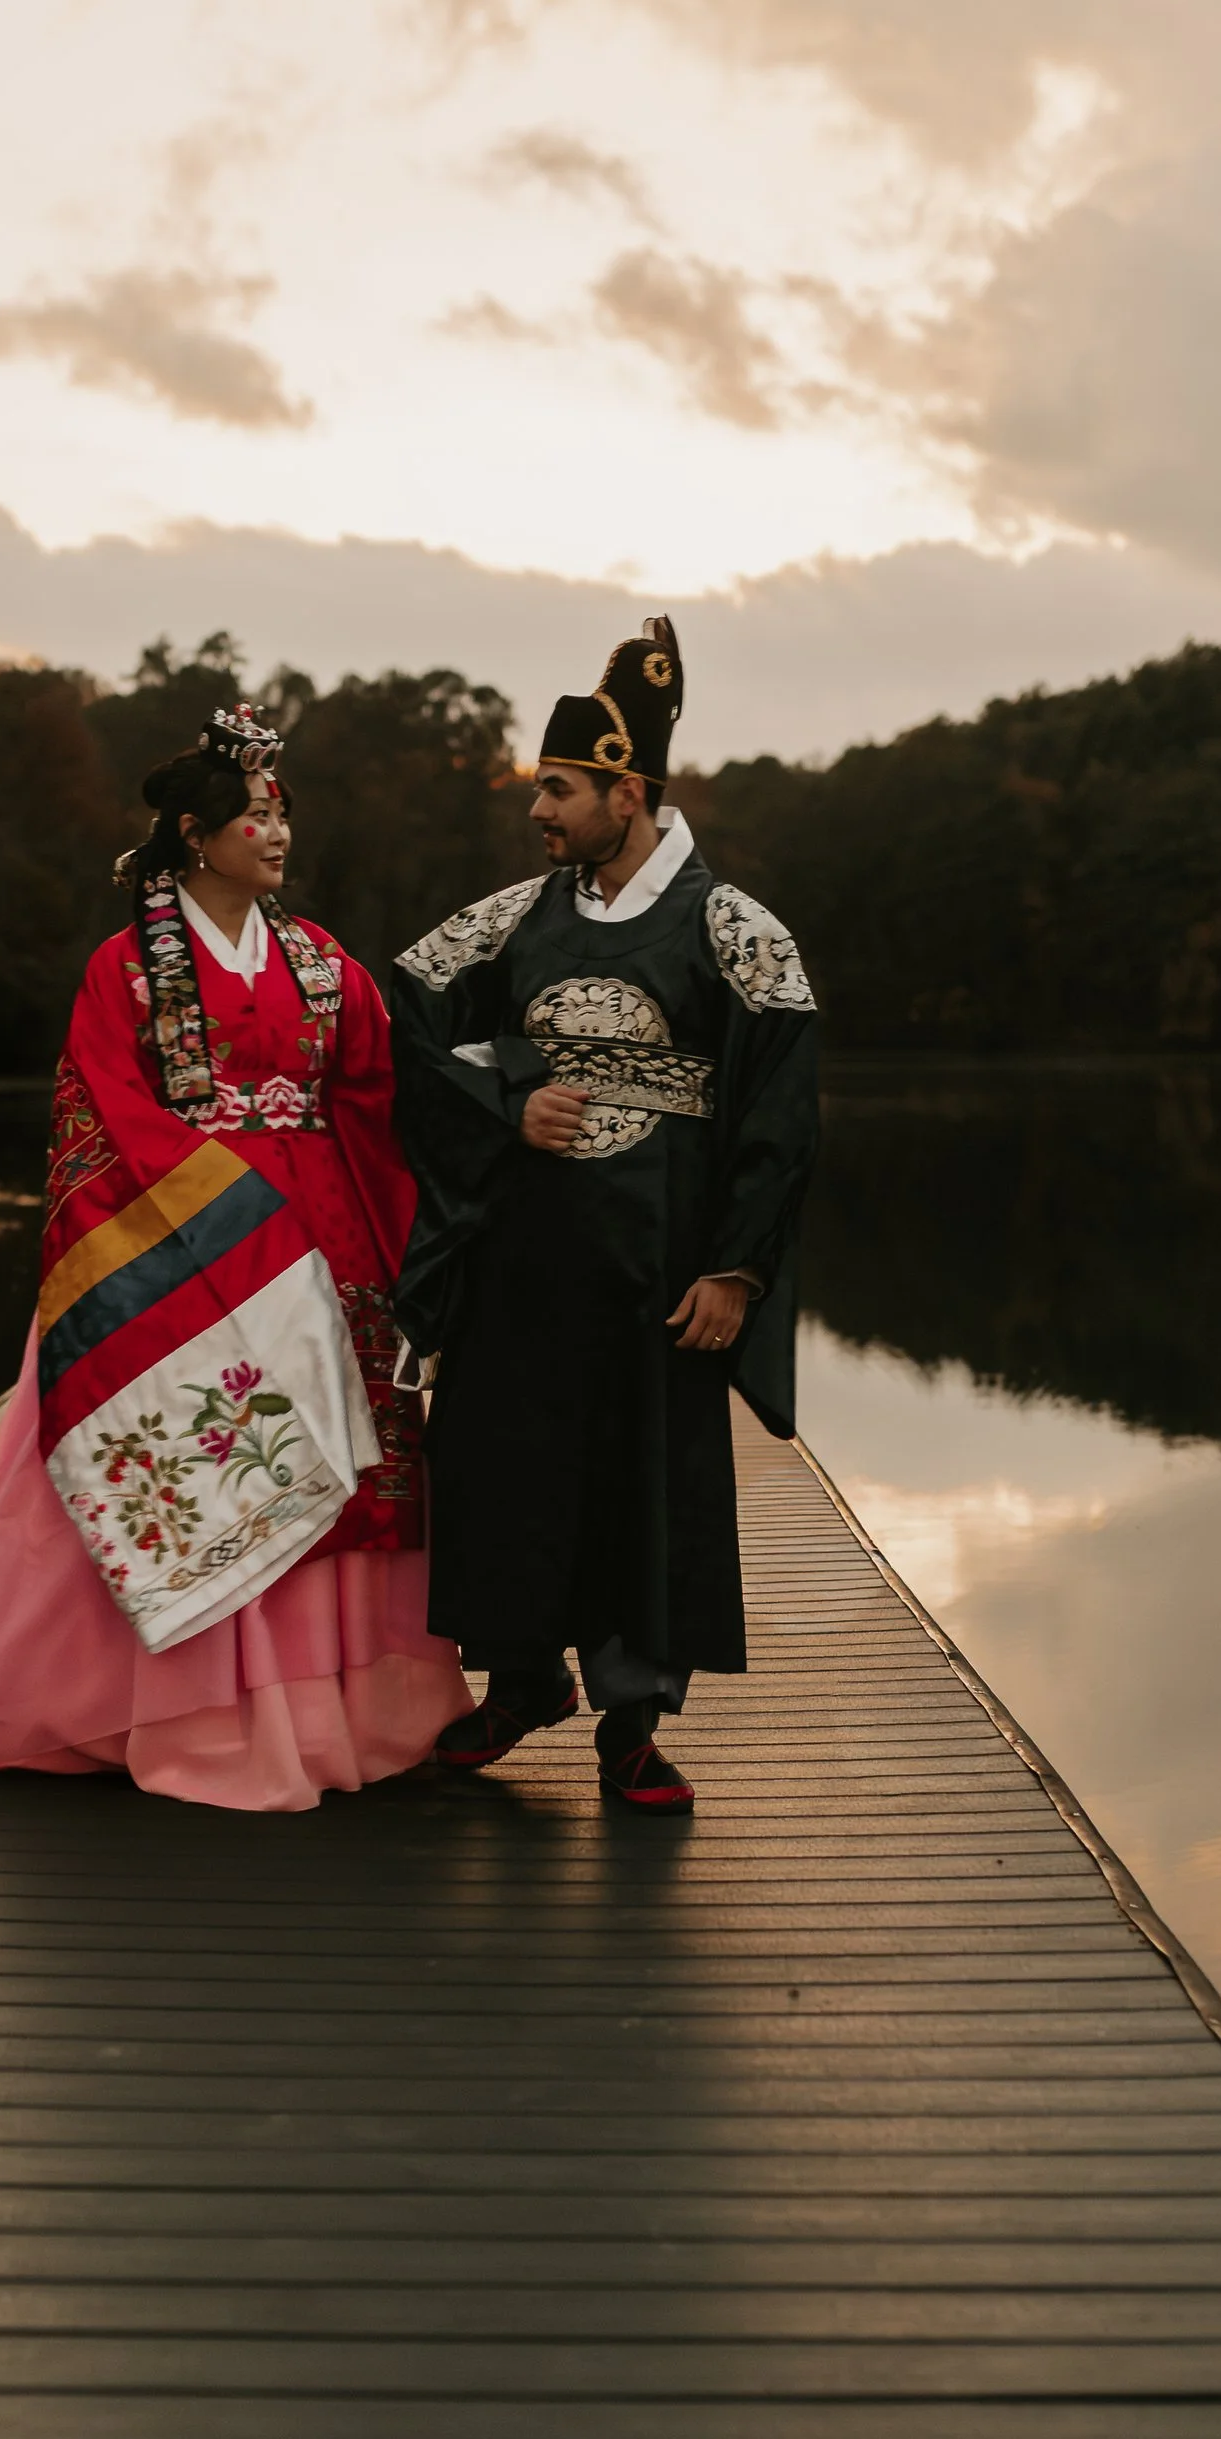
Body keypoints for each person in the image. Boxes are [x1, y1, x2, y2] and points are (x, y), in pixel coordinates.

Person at [0, 704, 464, 1810]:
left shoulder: (324, 963)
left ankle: (350, 1711)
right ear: (194, 833)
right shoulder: (125, 970)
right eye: (255, 816)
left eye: (282, 813)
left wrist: (419, 1224)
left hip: (326, 1242)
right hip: (180, 1240)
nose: (277, 834)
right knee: (197, 1448)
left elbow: (376, 1097)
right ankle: (198, 1715)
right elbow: (105, 1110)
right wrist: (228, 1228)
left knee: (336, 1462)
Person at [390, 614, 820, 1814]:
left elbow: (782, 1118)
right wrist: (507, 1094)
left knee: (648, 1482)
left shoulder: (736, 930)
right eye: (539, 790)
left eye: (560, 789)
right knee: (504, 1465)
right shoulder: (512, 918)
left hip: (659, 1274)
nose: (538, 813)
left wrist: (736, 1271)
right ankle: (522, 1680)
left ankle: (632, 1723)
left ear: (628, 793)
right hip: (522, 1265)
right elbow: (400, 1022)